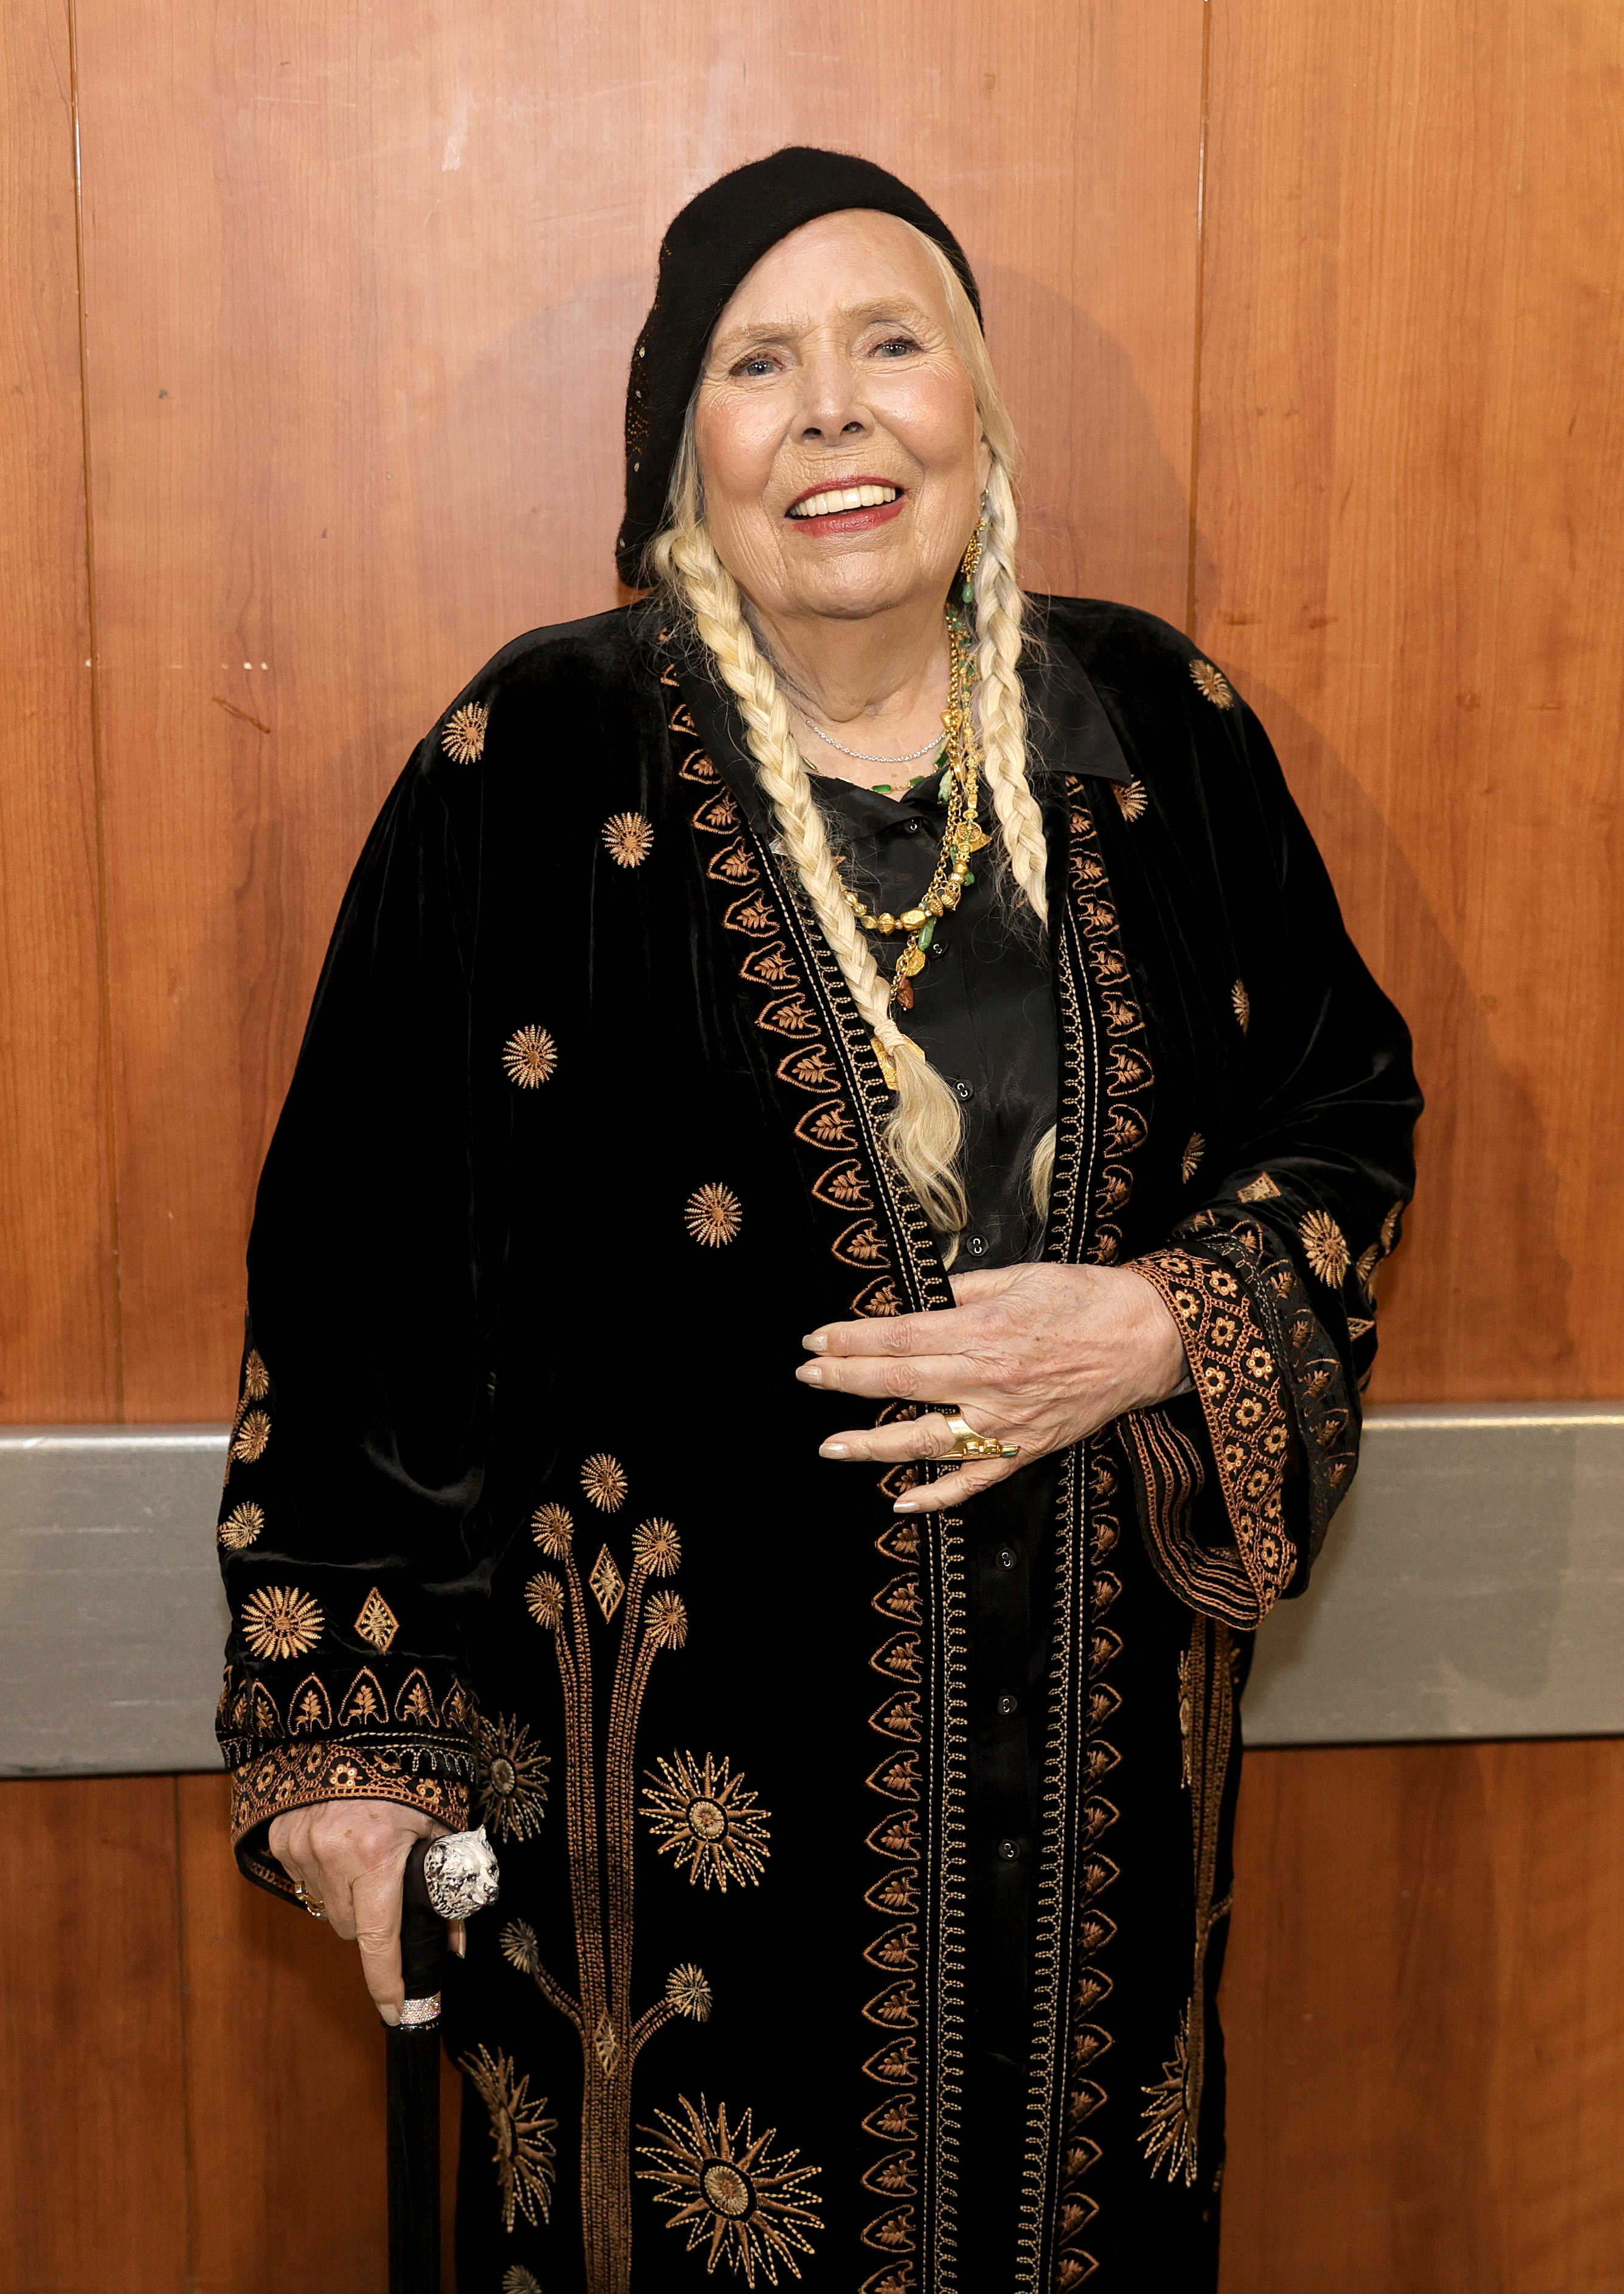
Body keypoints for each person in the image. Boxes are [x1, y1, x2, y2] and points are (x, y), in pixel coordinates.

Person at [215, 147, 1420, 2292]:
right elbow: (357, 1273)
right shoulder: (529, 762)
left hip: (1096, 1838)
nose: (840, 411)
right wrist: (349, 1737)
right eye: (763, 365)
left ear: (982, 406)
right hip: (662, 1856)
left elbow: (1345, 1107)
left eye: (895, 345)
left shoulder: (1157, 737)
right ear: (685, 440)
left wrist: (1174, 1326)